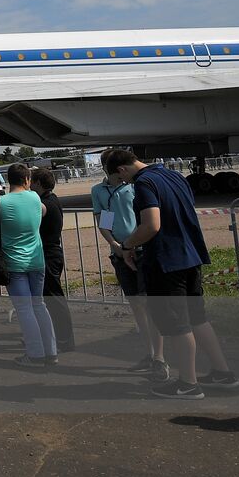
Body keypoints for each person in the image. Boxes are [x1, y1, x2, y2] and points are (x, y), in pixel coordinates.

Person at [110, 149, 237, 398]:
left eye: (121, 179)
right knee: (197, 317)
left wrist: (127, 245)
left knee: (178, 324)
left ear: (121, 170)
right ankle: (222, 373)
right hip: (190, 255)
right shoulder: (173, 176)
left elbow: (152, 224)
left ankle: (187, 383)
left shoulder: (144, 183)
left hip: (167, 260)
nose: (124, 184)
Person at [91, 151, 164, 378]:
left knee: (150, 303)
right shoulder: (100, 191)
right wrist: (114, 244)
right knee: (137, 306)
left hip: (142, 250)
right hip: (120, 252)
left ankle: (160, 358)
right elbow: (105, 220)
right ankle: (149, 353)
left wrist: (133, 244)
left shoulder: (134, 185)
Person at [0, 163, 57, 369]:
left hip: (13, 263)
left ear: (9, 180)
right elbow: (42, 212)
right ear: (27, 180)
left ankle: (35, 354)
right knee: (39, 305)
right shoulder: (35, 198)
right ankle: (50, 350)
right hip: (37, 260)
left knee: (24, 309)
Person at [32, 167, 75, 352]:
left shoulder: (45, 204)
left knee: (54, 298)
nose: (29, 185)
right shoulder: (52, 199)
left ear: (39, 183)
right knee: (49, 298)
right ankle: (57, 336)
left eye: (32, 182)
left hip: (49, 255)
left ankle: (64, 338)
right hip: (52, 253)